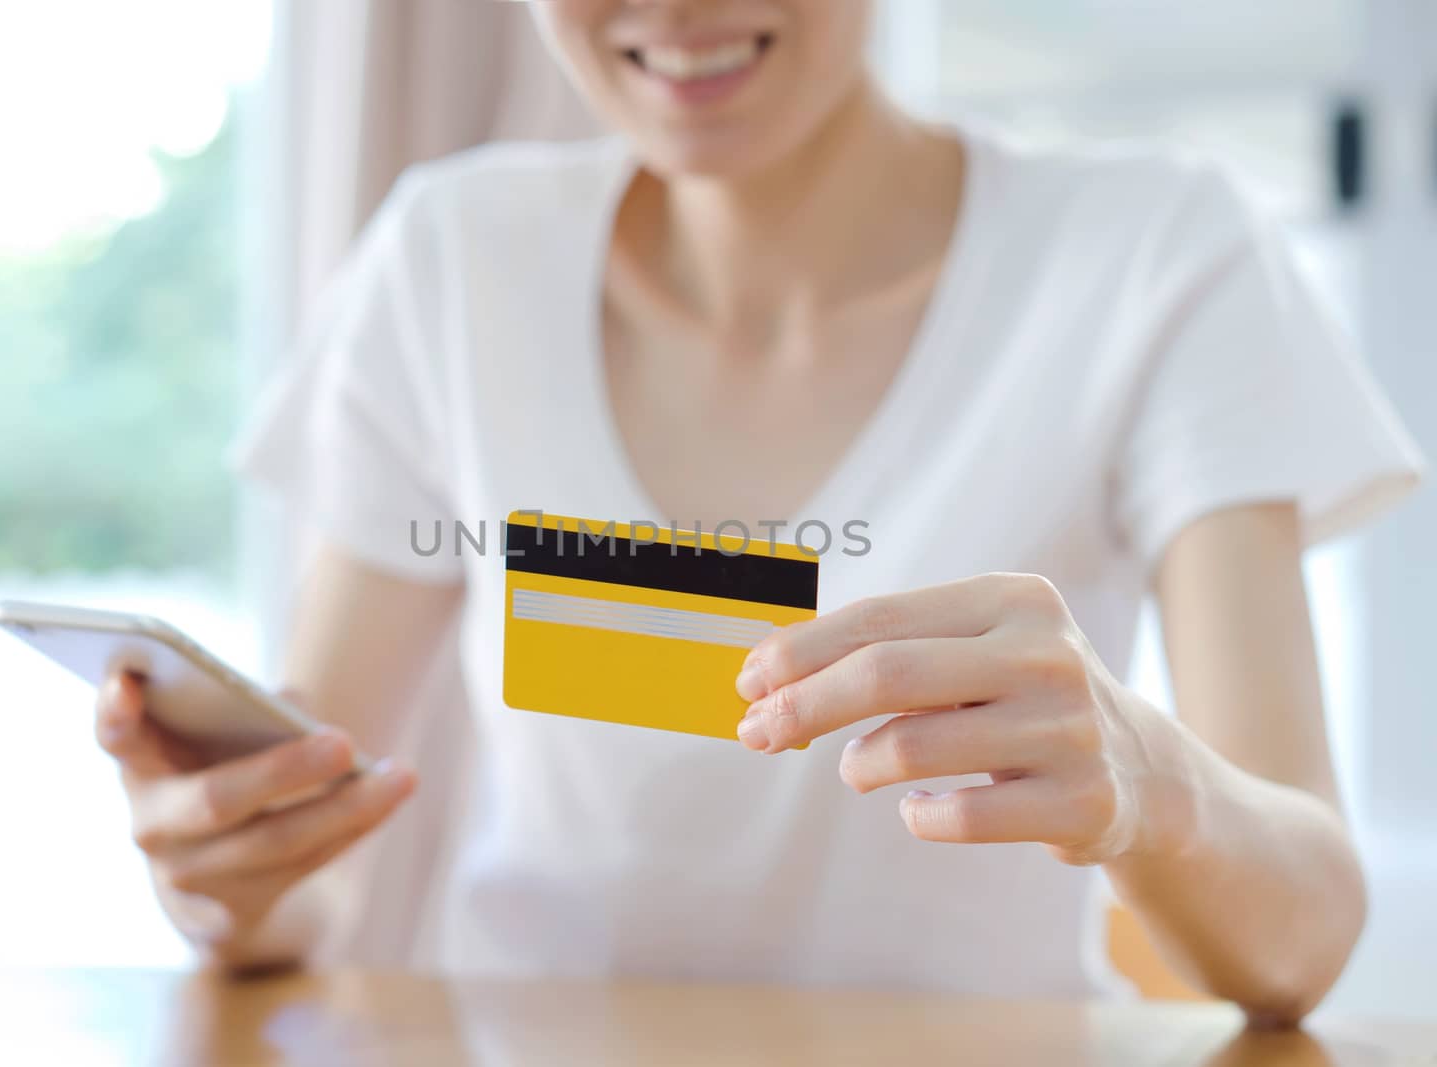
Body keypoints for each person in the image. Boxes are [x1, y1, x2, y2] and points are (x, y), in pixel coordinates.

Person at [94, 0, 1423, 1022]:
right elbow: (310, 863)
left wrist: (1148, 780)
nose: (671, 13)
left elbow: (1299, 939)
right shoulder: (455, 259)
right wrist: (224, 878)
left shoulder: (1151, 254)